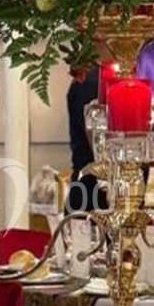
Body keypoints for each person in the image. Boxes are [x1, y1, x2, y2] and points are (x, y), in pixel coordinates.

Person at [65, 66, 103, 212]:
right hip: (93, 198)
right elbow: (99, 149)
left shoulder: (87, 80)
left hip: (86, 193)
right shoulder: (91, 83)